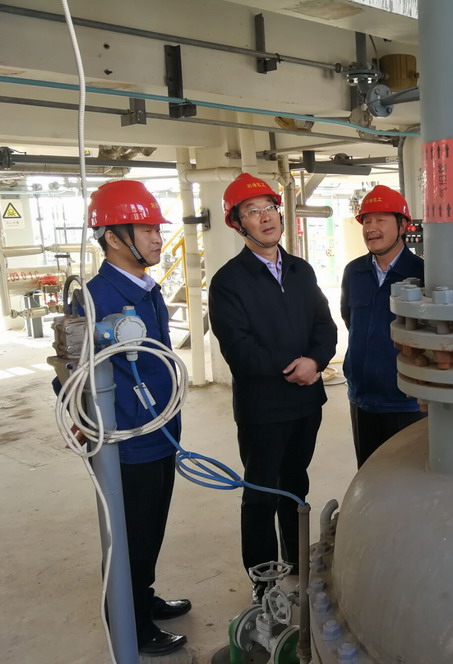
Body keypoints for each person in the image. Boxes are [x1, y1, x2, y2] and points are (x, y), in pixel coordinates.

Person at [208, 173, 337, 603]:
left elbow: (325, 326)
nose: (265, 218)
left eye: (269, 208)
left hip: (306, 402)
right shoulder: (229, 281)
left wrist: (315, 361)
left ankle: (297, 562)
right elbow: (239, 349)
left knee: (295, 486)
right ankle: (263, 582)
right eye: (252, 211)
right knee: (262, 493)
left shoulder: (301, 270)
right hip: (263, 409)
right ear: (237, 224)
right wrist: (293, 367)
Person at [75, 180, 190, 656]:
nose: (158, 239)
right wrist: (81, 416)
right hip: (125, 441)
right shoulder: (94, 297)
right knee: (131, 535)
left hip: (161, 431)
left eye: (157, 230)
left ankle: (142, 598)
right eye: (146, 230)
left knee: (152, 527)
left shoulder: (148, 289)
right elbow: (70, 371)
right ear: (113, 237)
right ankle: (131, 623)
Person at [341, 184, 425, 468]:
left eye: (380, 220)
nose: (371, 228)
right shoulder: (354, 272)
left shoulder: (423, 274)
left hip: (407, 401)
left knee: (408, 477)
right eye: (366, 221)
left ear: (402, 226)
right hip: (362, 398)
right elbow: (349, 319)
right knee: (367, 474)